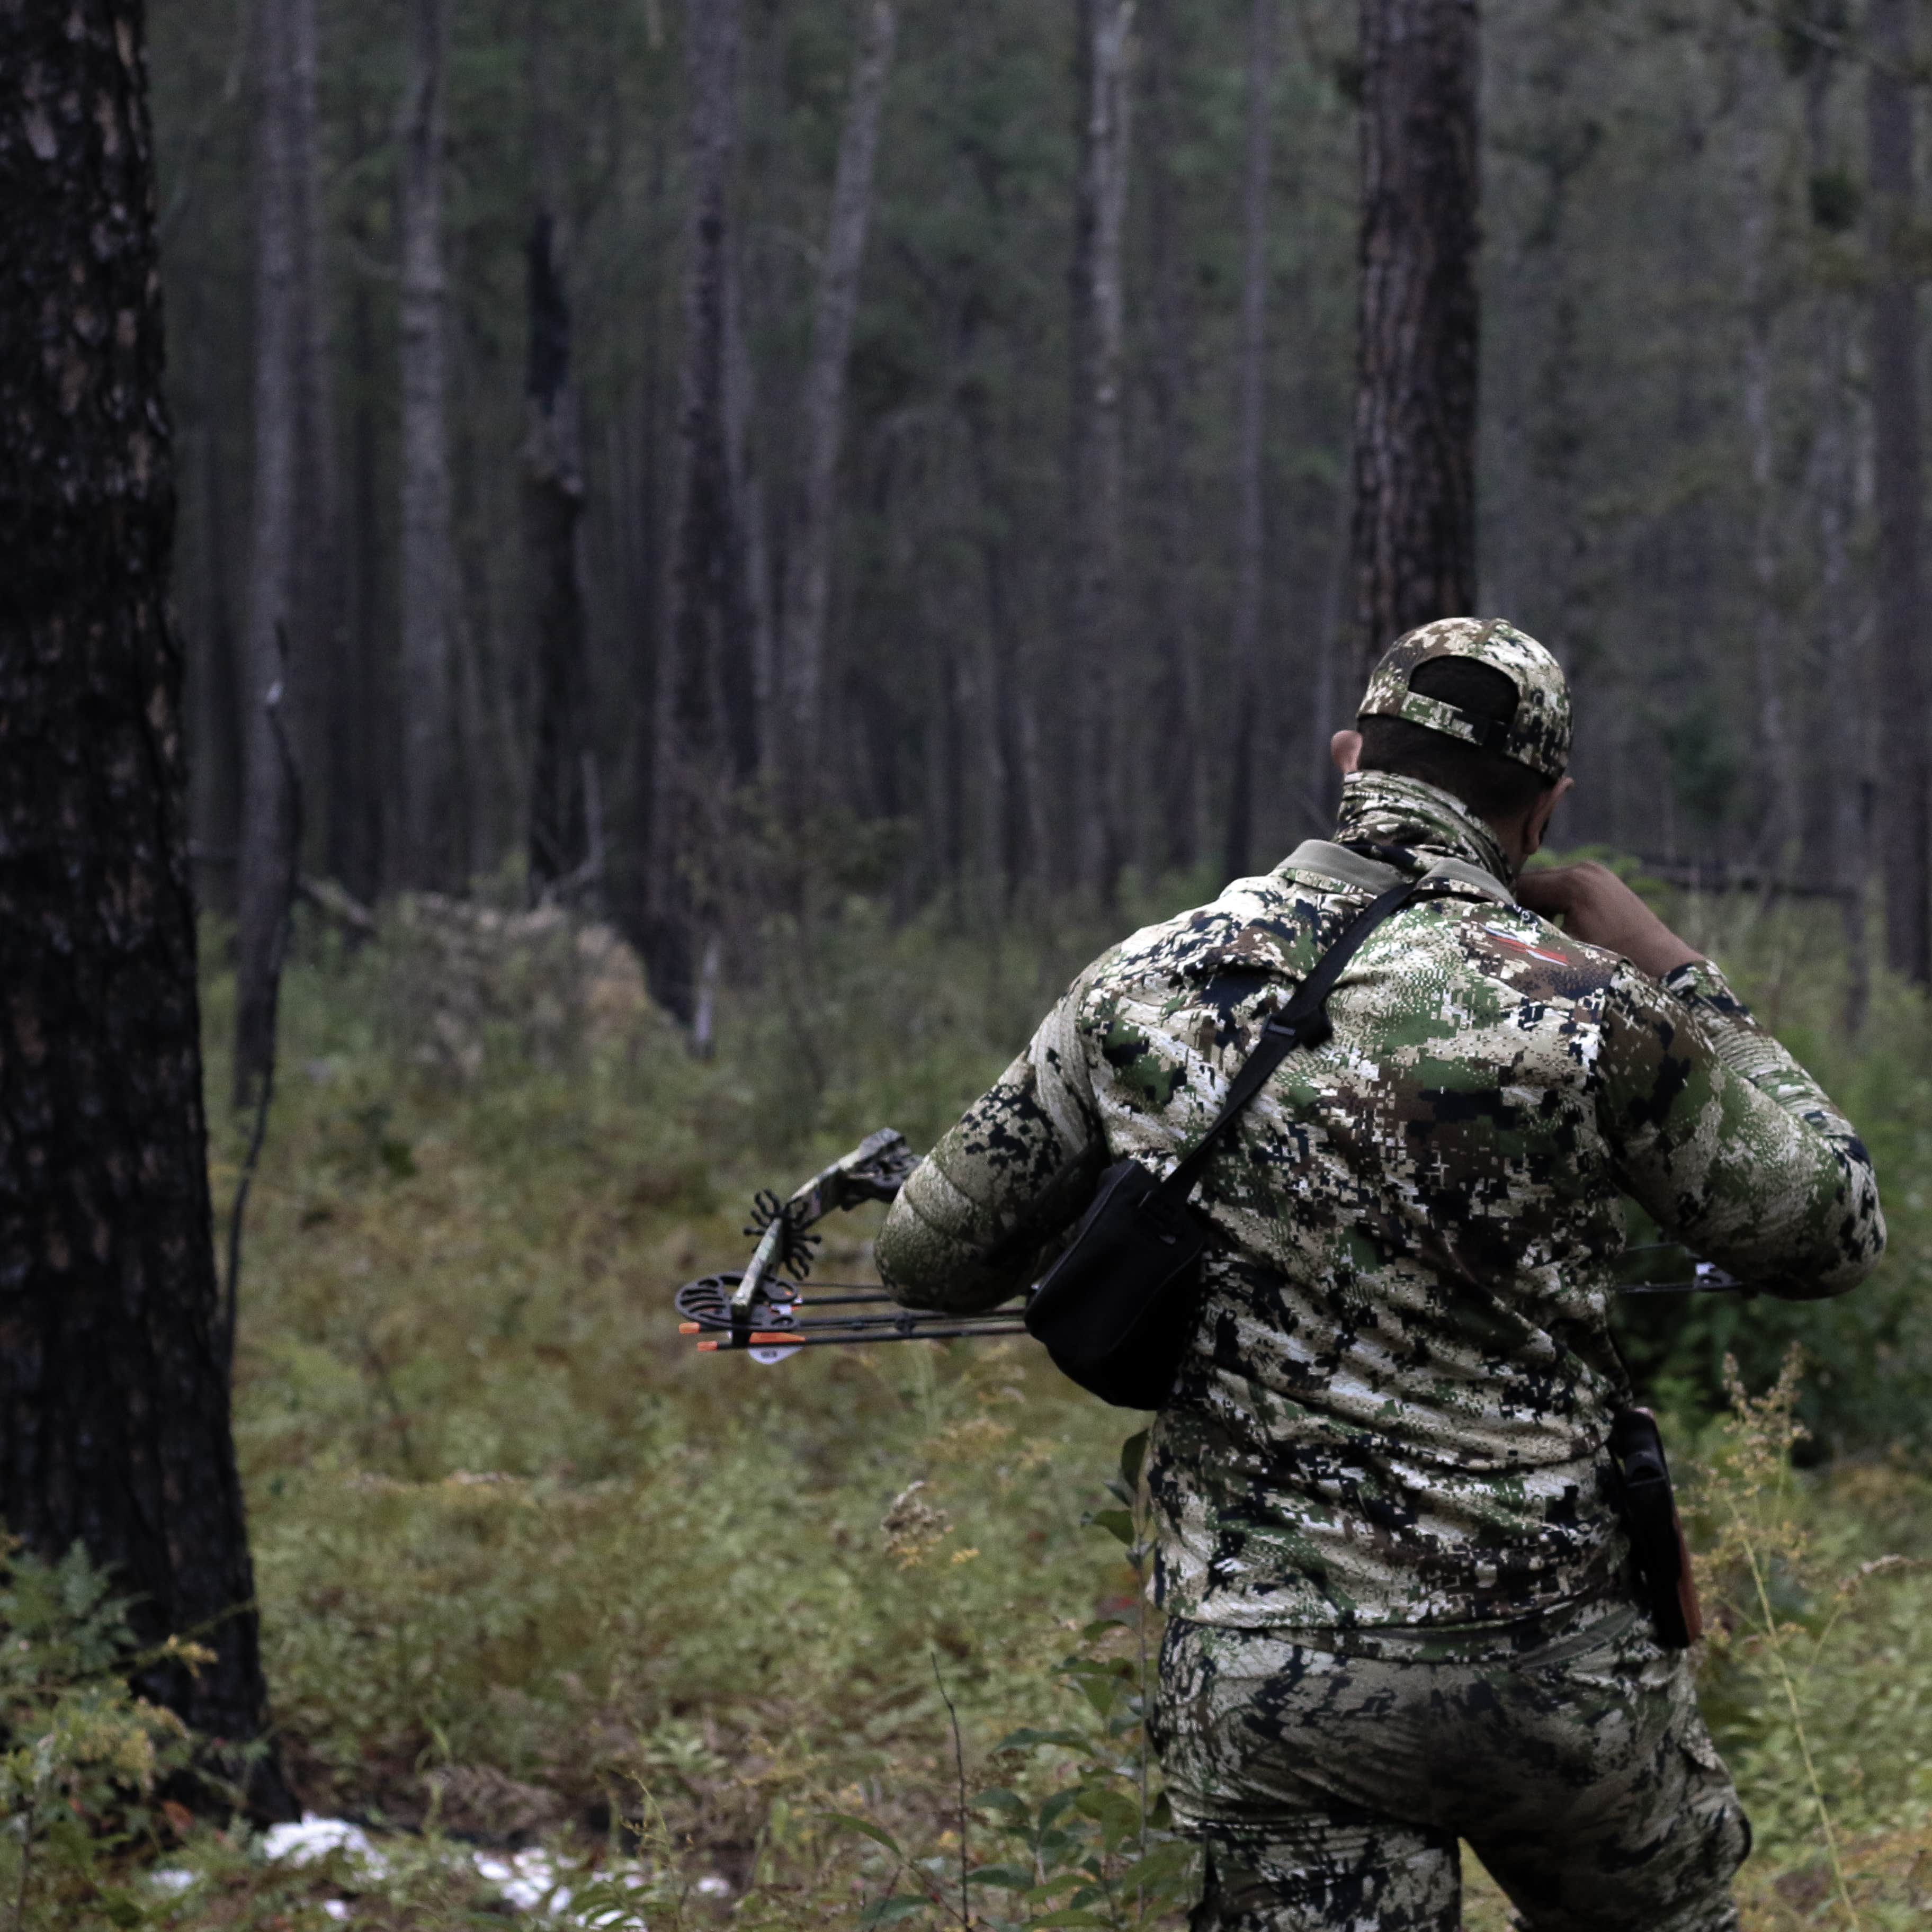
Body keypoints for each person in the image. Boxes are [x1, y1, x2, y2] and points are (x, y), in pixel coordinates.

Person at [874, 618, 1884, 1932]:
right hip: (1554, 1663)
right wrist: (1680, 971)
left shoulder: (1144, 983)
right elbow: (1830, 1228)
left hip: (1276, 1679)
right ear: (1543, 810)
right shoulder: (1594, 1008)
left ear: (1352, 757)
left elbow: (928, 1257)